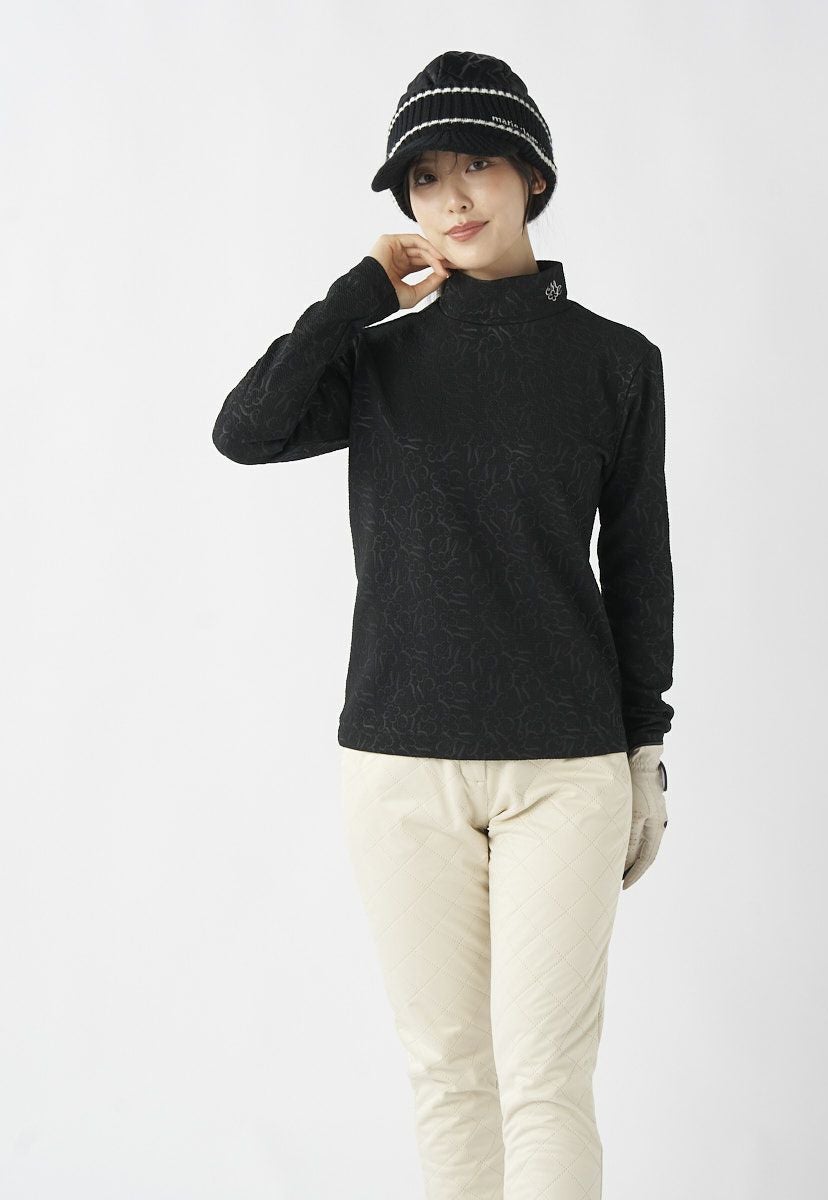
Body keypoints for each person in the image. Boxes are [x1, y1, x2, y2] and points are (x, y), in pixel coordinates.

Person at [212, 49, 674, 1200]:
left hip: (564, 768)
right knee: (448, 1074)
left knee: (545, 1079)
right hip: (399, 763)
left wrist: (644, 748)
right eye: (424, 178)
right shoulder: (379, 359)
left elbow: (638, 566)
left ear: (531, 176)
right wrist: (357, 294)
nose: (452, 197)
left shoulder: (616, 364)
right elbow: (245, 430)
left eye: (476, 165)